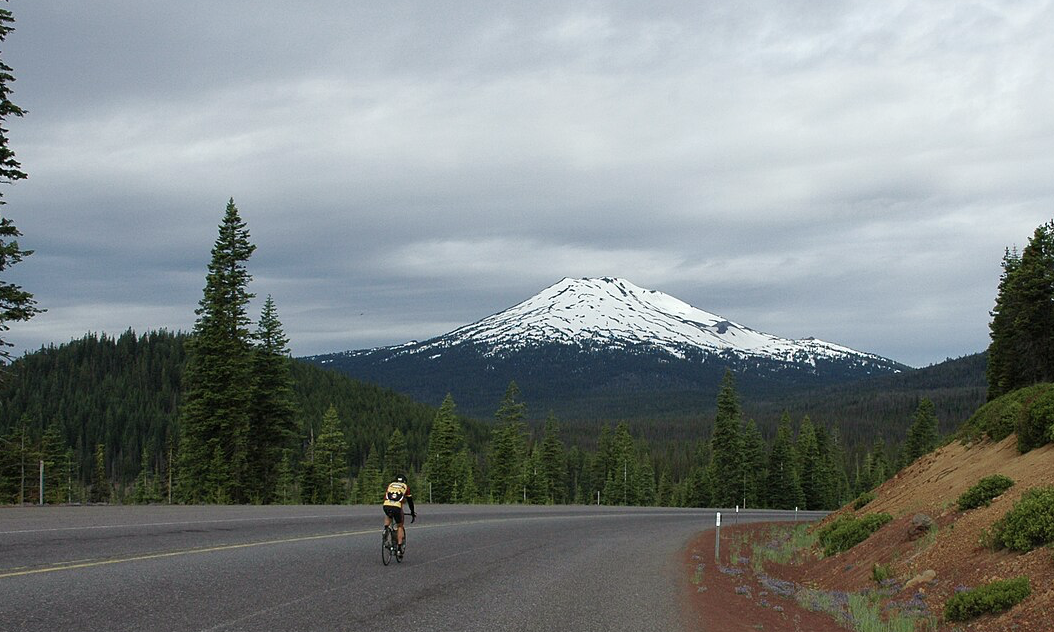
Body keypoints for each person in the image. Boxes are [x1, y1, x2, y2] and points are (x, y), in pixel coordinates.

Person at [382, 474, 416, 557]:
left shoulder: (391, 485)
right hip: (397, 507)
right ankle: (399, 548)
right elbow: (410, 501)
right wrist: (412, 512)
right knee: (400, 526)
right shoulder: (405, 487)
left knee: (389, 515)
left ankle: (386, 529)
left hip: (386, 505)